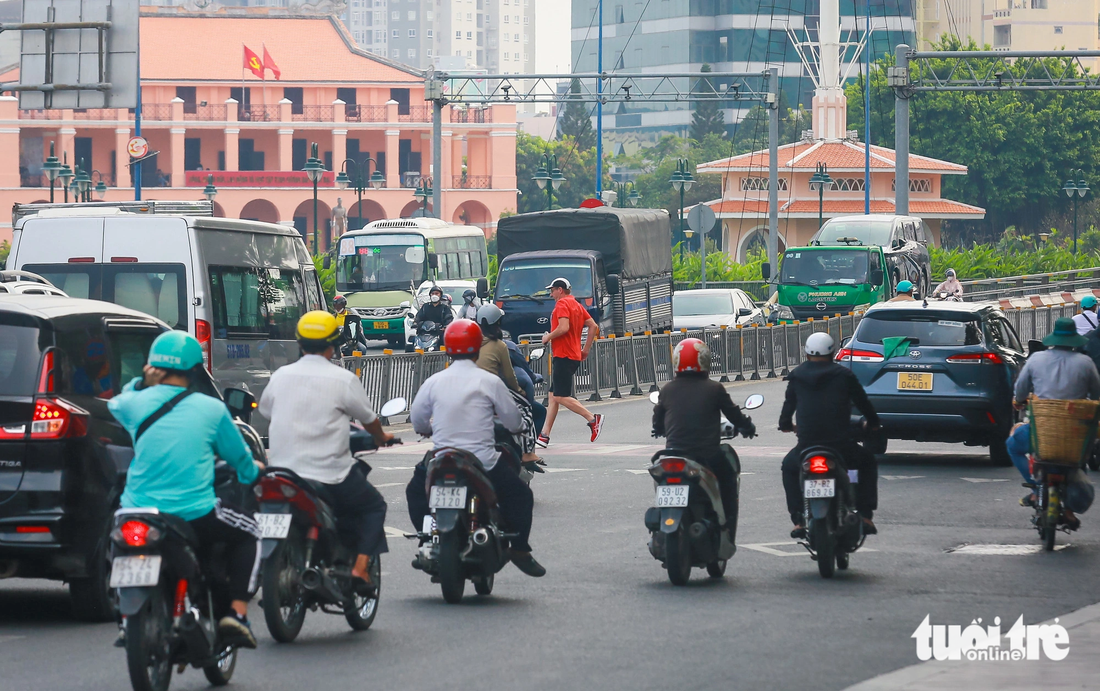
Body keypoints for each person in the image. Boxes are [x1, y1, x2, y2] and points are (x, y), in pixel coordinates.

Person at [108, 331, 262, 648]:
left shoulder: (135, 403)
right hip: (194, 512)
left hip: (137, 511)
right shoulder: (212, 409)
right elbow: (240, 460)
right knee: (252, 531)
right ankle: (237, 612)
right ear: (195, 371)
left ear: (152, 367)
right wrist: (252, 474)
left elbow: (116, 403)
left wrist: (141, 383)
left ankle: (125, 621)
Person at [258, 311, 393, 587]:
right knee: (374, 506)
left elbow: (267, 411)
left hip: (282, 473)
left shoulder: (281, 375)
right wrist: (381, 437)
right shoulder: (343, 379)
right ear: (334, 344)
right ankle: (360, 568)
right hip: (330, 476)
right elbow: (369, 421)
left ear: (299, 343)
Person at [406, 319, 545, 577]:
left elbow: (417, 419)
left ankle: (426, 539)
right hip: (482, 461)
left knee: (415, 490)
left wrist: (427, 429)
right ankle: (520, 550)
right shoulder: (489, 382)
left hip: (441, 457)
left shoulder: (434, 381)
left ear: (447, 348)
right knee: (521, 496)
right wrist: (516, 427)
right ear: (477, 348)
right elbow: (513, 420)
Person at [778, 332, 881, 537]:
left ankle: (798, 520)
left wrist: (787, 425)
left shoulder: (797, 376)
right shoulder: (844, 375)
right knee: (867, 462)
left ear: (806, 353)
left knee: (789, 467)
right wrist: (873, 422)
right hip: (841, 446)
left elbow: (787, 411)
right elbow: (863, 404)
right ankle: (866, 515)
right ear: (833, 353)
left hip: (806, 447)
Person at [652, 338, 756, 540]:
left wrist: (658, 429)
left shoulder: (668, 389)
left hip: (673, 455)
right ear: (705, 360)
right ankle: (725, 522)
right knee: (728, 478)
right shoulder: (714, 389)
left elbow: (657, 419)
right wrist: (746, 426)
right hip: (706, 456)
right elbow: (734, 415)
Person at [1006, 317, 1100, 527]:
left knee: (1013, 445)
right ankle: (1067, 509)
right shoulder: (1085, 363)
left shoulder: (1036, 359)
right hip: (1074, 435)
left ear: (1053, 339)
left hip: (1042, 434)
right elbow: (1096, 394)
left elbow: (1020, 390)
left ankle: (1034, 489)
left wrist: (1019, 401)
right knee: (1079, 461)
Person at [475, 304, 543, 470]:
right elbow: (510, 375)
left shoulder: (470, 344)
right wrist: (519, 391)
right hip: (492, 393)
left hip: (470, 395)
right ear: (497, 323)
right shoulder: (501, 345)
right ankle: (527, 453)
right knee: (527, 409)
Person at [538, 277, 603, 447]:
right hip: (573, 355)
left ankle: (592, 419)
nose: (551, 294)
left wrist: (547, 337)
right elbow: (593, 326)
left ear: (560, 290)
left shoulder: (562, 304)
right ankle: (544, 435)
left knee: (560, 396)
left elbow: (563, 327)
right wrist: (585, 349)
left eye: (552, 290)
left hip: (563, 355)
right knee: (553, 396)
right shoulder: (576, 305)